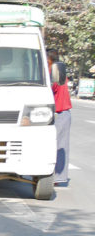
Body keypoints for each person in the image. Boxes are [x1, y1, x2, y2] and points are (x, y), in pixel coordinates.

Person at [47, 49, 72, 186]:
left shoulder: (54, 73)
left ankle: (58, 177)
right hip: (57, 112)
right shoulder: (54, 72)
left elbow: (49, 90)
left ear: (50, 60)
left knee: (60, 146)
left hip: (60, 112)